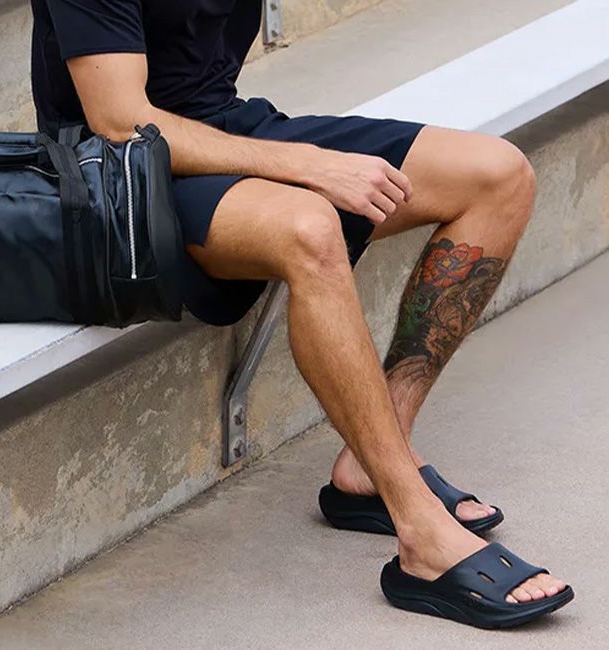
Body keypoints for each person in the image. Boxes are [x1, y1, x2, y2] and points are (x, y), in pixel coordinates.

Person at [30, 0, 573, 628]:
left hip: (222, 127)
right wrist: (310, 166)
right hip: (112, 178)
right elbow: (120, 121)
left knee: (498, 176)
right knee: (310, 228)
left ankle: (372, 465)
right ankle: (421, 530)